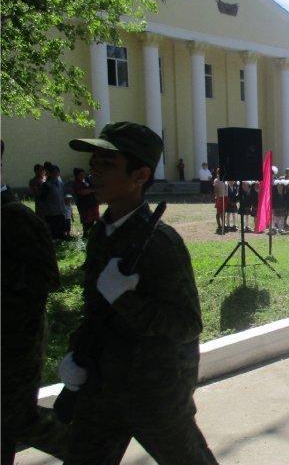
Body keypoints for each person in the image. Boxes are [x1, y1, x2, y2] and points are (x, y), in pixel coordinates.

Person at [60, 121, 217, 463]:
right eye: (94, 162)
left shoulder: (161, 243)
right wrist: (77, 352)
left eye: (107, 165)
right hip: (102, 384)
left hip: (153, 391)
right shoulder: (102, 232)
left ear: (140, 176)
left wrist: (126, 300)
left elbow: (187, 325)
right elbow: (96, 310)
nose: (94, 172)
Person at [2, 144, 70, 464]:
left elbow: (48, 277)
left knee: (17, 418)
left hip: (13, 344)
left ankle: (90, 449)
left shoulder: (15, 217)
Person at [40, 165, 66, 240]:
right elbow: (42, 200)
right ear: (50, 173)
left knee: (61, 232)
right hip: (51, 213)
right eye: (53, 172)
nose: (56, 174)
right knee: (53, 232)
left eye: (57, 172)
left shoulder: (60, 183)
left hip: (61, 211)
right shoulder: (46, 185)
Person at [73, 168, 100, 238]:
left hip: (93, 204)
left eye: (83, 174)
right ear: (76, 175)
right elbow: (82, 192)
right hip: (84, 206)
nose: (82, 176)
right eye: (80, 175)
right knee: (87, 223)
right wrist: (93, 189)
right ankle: (86, 237)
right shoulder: (76, 183)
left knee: (96, 221)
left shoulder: (87, 180)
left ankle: (94, 236)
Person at [213, 168, 228, 233]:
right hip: (220, 197)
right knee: (219, 212)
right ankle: (219, 225)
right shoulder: (217, 180)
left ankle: (223, 224)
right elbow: (215, 189)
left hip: (225, 197)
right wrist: (217, 197)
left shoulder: (225, 179)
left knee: (224, 212)